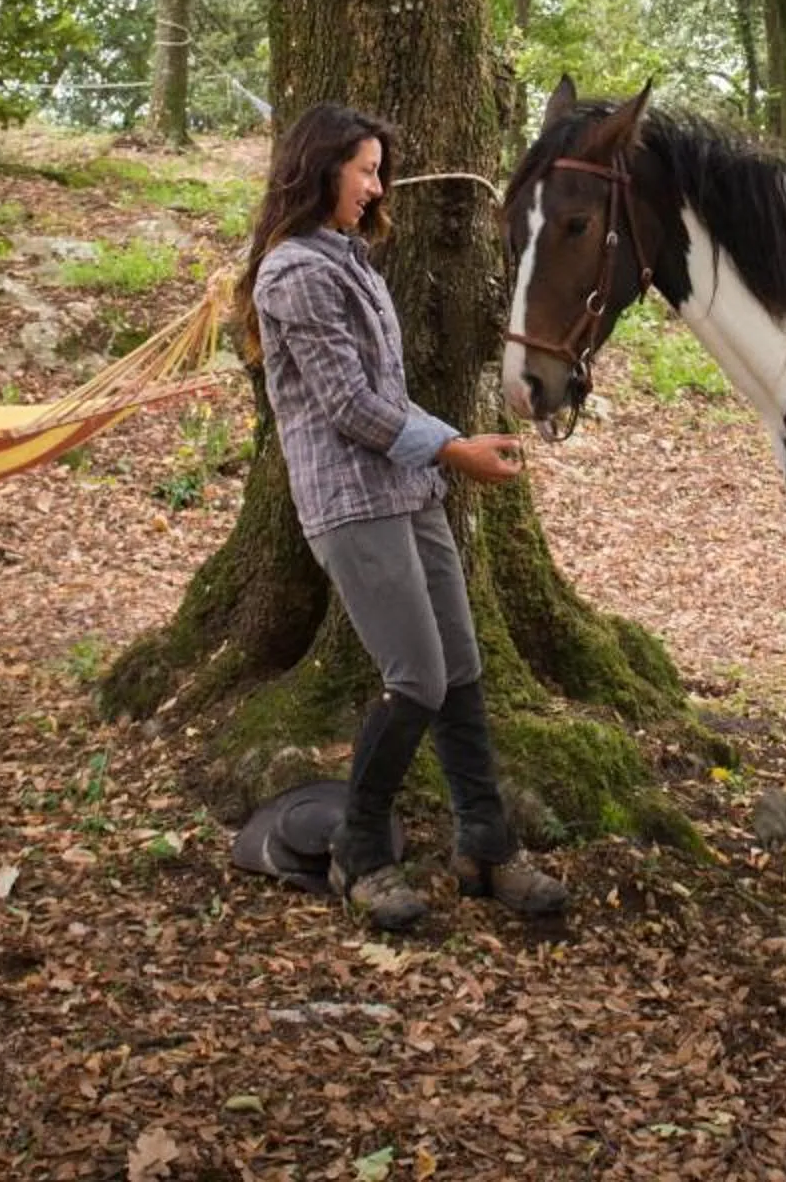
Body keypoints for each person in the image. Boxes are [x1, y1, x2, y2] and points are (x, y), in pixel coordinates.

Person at [237, 100, 571, 932]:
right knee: (415, 678)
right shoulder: (295, 274)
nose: (378, 186)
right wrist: (454, 450)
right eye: (366, 170)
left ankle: (486, 848)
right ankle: (361, 852)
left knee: (459, 666)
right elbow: (349, 405)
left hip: (407, 490)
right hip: (351, 502)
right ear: (322, 170)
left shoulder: (348, 260)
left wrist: (446, 447)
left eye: (379, 170)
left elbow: (385, 395)